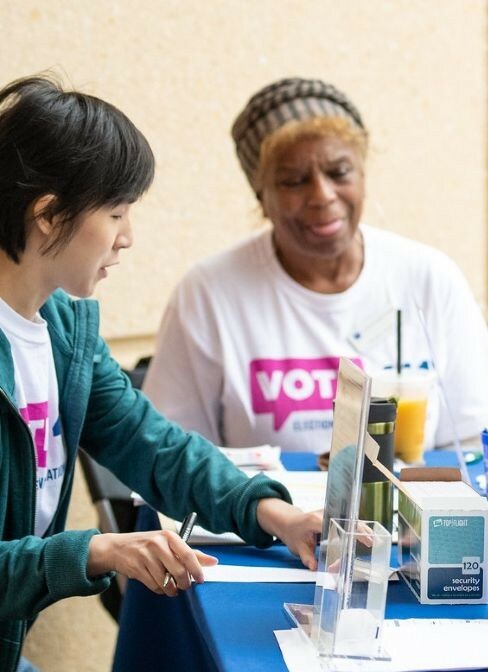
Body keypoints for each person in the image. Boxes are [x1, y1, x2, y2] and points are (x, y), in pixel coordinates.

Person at [0, 76, 322, 672]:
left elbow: (151, 444)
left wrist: (271, 512)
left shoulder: (64, 330)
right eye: (116, 212)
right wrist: (95, 552)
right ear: (48, 215)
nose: (126, 239)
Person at [142, 77, 488, 455]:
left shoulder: (427, 278)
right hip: (263, 514)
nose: (322, 196)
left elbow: (482, 441)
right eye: (294, 181)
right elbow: (172, 455)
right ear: (262, 196)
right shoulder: (210, 293)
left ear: (362, 174)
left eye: (339, 172)